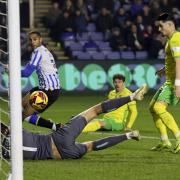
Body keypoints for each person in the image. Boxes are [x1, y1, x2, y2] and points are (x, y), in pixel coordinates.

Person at [2, 84, 148, 160]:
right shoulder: (15, 132)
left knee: (91, 146)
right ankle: (132, 97)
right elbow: (25, 114)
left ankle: (129, 136)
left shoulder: (15, 156)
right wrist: (31, 96)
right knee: (95, 110)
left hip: (63, 154)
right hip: (59, 138)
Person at [149, 13, 180, 153]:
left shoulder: (175, 39)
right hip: (170, 80)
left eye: (161, 26)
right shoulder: (171, 39)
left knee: (159, 108)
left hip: (175, 82)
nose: (160, 30)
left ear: (170, 25)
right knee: (152, 108)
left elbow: (179, 62)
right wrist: (164, 69)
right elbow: (174, 61)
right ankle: (165, 141)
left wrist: (178, 84)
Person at [21, 31, 60, 131]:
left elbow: (26, 73)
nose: (32, 42)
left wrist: (11, 72)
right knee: (20, 105)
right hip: (42, 87)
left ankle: (9, 132)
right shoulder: (41, 51)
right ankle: (54, 126)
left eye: (35, 39)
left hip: (49, 91)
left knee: (24, 115)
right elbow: (27, 69)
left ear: (40, 39)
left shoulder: (39, 52)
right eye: (30, 40)